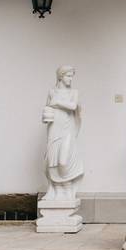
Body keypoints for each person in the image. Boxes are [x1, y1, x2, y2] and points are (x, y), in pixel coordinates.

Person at [42, 65, 83, 201]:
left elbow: (73, 106)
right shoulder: (51, 92)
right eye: (68, 76)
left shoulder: (74, 92)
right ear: (61, 76)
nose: (70, 79)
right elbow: (47, 109)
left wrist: (58, 102)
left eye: (72, 76)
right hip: (54, 129)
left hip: (68, 130)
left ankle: (67, 187)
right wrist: (45, 115)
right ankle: (56, 190)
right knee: (52, 160)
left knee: (63, 161)